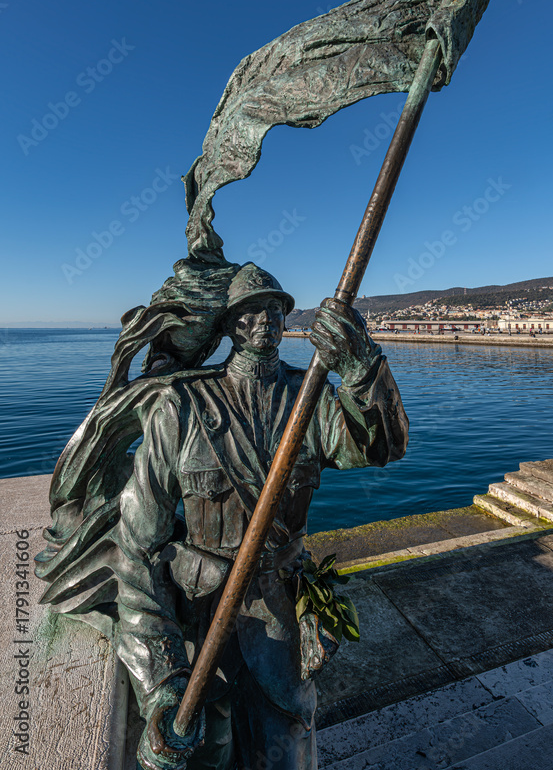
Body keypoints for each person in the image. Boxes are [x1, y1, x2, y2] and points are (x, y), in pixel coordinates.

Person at [41, 262, 408, 770]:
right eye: (250, 312)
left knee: (289, 756)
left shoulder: (313, 398)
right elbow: (137, 551)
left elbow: (383, 445)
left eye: (274, 309)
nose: (265, 320)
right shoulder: (182, 407)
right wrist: (161, 684)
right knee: (209, 756)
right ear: (230, 325)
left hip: (281, 621)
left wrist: (362, 363)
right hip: (200, 625)